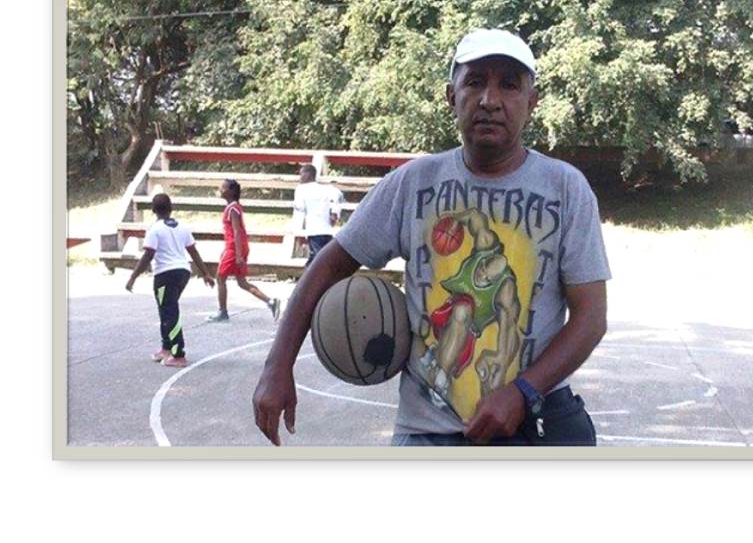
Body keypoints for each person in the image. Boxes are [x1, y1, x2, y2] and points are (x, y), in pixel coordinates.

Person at [253, 28, 610, 446]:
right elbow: (329, 264)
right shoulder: (413, 183)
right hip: (426, 432)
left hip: (533, 422)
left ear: (532, 102)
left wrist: (523, 391)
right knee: (459, 316)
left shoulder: (565, 188)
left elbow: (590, 317)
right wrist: (278, 365)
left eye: (509, 85)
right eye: (475, 81)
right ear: (451, 97)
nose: (490, 100)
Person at [125, 193, 215, 367]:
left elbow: (148, 255)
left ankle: (178, 354)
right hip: (183, 272)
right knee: (166, 310)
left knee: (169, 312)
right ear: (171, 208)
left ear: (153, 210)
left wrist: (133, 277)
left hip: (165, 274)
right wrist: (206, 273)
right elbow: (193, 251)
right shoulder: (182, 227)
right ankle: (166, 347)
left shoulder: (155, 229)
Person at [209, 178, 282, 322]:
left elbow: (236, 231)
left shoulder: (232, 209)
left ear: (231, 191)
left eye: (223, 188)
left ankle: (222, 312)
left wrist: (237, 255)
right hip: (239, 247)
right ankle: (270, 302)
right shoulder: (235, 207)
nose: (221, 190)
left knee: (220, 277)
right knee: (242, 282)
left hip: (233, 247)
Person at [293, 164, 345, 266]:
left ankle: (311, 275)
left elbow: (300, 208)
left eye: (301, 174)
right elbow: (339, 196)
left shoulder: (301, 189)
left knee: (318, 260)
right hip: (327, 230)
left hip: (314, 230)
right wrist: (334, 213)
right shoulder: (327, 189)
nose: (300, 177)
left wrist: (298, 231)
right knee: (320, 257)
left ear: (308, 174)